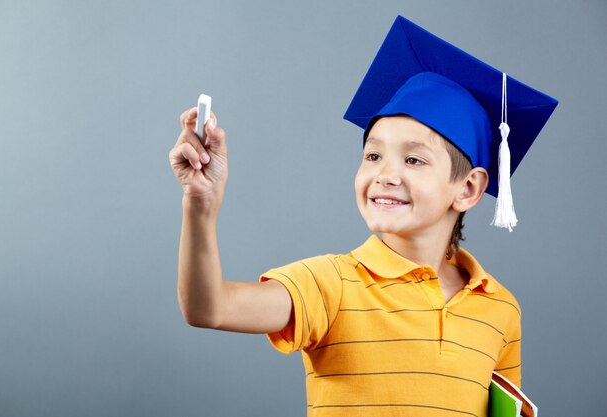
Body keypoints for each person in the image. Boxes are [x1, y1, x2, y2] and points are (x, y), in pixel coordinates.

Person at [168, 15, 557, 417]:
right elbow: (209, 307)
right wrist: (200, 205)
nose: (385, 174)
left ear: (469, 188)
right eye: (373, 155)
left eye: (413, 159)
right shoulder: (330, 284)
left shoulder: (499, 308)